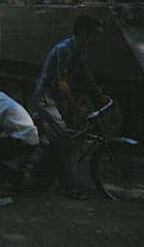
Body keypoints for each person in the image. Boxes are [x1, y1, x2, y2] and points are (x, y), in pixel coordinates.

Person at [30, 15, 106, 199]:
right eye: (95, 34)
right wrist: (77, 109)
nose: (98, 38)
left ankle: (38, 177)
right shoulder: (65, 50)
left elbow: (84, 72)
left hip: (56, 97)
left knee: (59, 140)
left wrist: (99, 93)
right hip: (46, 98)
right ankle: (71, 187)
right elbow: (62, 84)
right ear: (83, 35)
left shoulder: (78, 48)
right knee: (66, 141)